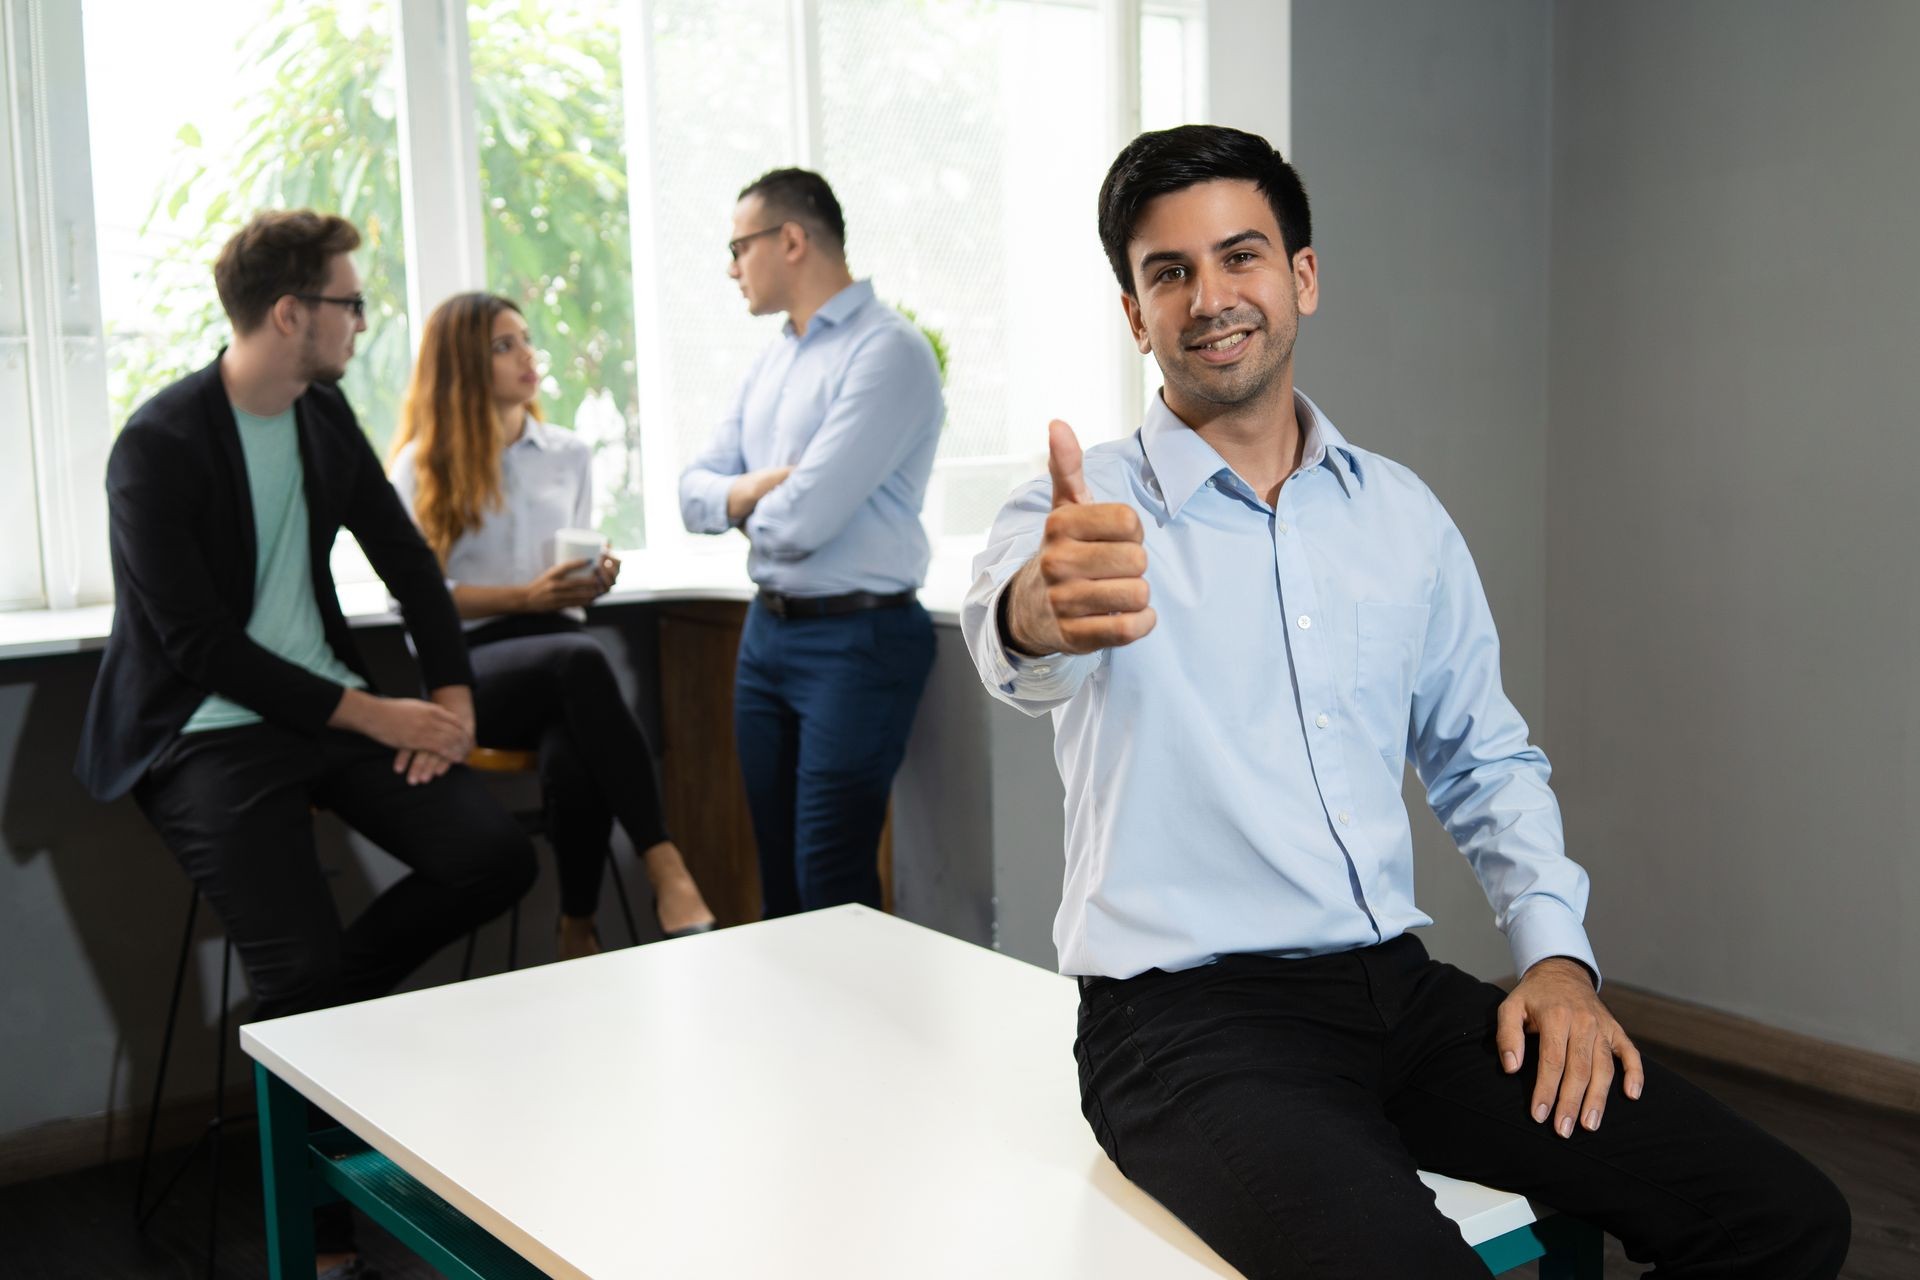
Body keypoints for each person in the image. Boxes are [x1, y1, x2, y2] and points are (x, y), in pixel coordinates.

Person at [961, 125, 1849, 1279]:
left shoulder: (1400, 515)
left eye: (1242, 256)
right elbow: (1018, 640)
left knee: (1783, 1212)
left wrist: (1556, 958)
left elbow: (1482, 756)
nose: (1210, 296)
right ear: (1135, 314)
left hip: (1401, 991)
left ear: (1303, 277)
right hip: (1184, 1028)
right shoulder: (1080, 516)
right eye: (1167, 272)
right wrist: (1044, 603)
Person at [75, 210, 535, 1279]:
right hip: (203, 733)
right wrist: (384, 716)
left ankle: (309, 1019)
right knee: (305, 965)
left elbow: (413, 567)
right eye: (349, 303)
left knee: (493, 857)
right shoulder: (158, 444)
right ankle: (322, 1243)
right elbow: (198, 645)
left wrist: (452, 699)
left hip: (321, 708)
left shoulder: (321, 415)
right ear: (291, 314)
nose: (361, 324)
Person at [388, 291, 716, 957]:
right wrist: (523, 599)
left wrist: (593, 577)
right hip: (475, 671)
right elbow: (415, 601)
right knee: (582, 661)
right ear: (461, 367)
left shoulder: (568, 453)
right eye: (502, 346)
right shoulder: (420, 465)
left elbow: (571, 565)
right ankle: (664, 863)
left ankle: (576, 926)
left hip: (563, 654)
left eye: (525, 340)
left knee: (574, 753)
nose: (526, 357)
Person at [678, 168, 943, 917]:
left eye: (740, 246)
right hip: (769, 635)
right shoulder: (775, 359)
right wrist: (750, 492)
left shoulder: (888, 352)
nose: (732, 267)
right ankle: (790, 1037)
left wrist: (741, 502)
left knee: (832, 883)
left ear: (790, 240)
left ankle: (859, 1036)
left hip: (858, 641)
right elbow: (691, 491)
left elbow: (801, 522)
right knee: (780, 883)